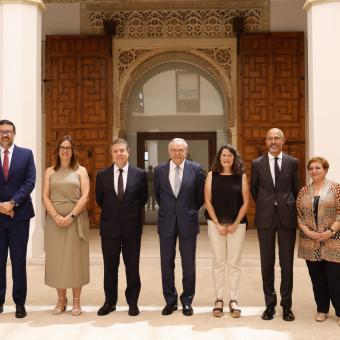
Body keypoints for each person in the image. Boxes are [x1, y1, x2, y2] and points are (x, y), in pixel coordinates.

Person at [250, 128, 299, 321]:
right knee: (267, 263)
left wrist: (286, 204)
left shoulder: (292, 162)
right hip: (265, 217)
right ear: (265, 141)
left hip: (287, 217)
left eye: (277, 138)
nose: (273, 141)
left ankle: (286, 306)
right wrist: (266, 203)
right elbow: (254, 189)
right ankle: (269, 305)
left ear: (283, 141)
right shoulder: (257, 163)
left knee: (287, 264)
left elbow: (296, 187)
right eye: (270, 138)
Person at [96, 138, 148, 317]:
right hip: (109, 230)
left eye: (122, 151)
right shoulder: (102, 175)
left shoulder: (140, 174)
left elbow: (143, 199)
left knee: (132, 267)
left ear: (128, 152)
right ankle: (109, 302)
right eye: (116, 151)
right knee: (110, 268)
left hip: (131, 230)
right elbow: (100, 200)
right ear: (112, 153)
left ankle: (133, 303)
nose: (119, 154)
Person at [154, 138, 205, 316]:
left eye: (181, 150)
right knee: (166, 264)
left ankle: (187, 301)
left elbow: (200, 197)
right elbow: (158, 196)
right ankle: (170, 300)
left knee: (188, 264)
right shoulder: (160, 170)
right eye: (174, 150)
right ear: (169, 152)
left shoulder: (196, 169)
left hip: (188, 222)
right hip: (166, 221)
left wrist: (188, 210)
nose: (177, 153)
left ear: (186, 151)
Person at [43, 135, 90, 316]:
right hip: (54, 221)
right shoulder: (49, 171)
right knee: (57, 260)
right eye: (62, 147)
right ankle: (61, 301)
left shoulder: (81, 171)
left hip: (75, 219)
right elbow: (45, 196)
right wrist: (55, 216)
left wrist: (71, 215)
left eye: (68, 148)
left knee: (75, 260)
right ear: (57, 150)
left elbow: (85, 196)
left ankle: (77, 302)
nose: (65, 150)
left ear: (73, 151)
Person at [204, 144, 249, 318]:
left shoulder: (241, 176)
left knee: (234, 262)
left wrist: (236, 223)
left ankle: (233, 299)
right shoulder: (211, 175)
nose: (226, 158)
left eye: (230, 155)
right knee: (218, 262)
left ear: (234, 158)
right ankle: (219, 299)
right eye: (223, 155)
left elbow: (246, 202)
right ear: (219, 157)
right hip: (215, 224)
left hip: (237, 224)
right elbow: (207, 200)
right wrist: (216, 223)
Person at [296, 157, 340, 325]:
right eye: (311, 168)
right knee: (317, 279)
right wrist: (307, 231)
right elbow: (299, 215)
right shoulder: (303, 191)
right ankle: (322, 309)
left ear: (325, 170)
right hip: (310, 242)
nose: (314, 171)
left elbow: (339, 212)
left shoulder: (336, 188)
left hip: (333, 241)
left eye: (318, 168)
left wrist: (331, 231)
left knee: (334, 278)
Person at [0, 119, 36, 318]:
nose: (5, 135)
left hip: (20, 216)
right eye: (2, 132)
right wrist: (1, 207)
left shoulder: (26, 155)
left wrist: (12, 203)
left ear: (15, 133)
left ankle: (19, 303)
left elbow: (30, 181)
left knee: (18, 261)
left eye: (9, 131)